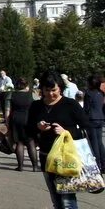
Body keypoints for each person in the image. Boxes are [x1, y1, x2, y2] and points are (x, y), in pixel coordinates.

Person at [27, 71, 89, 209]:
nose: (50, 94)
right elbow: (28, 131)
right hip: (46, 157)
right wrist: (38, 127)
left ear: (60, 88)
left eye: (54, 90)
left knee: (67, 201)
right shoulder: (36, 106)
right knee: (56, 199)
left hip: (66, 158)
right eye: (47, 90)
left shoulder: (70, 104)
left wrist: (66, 132)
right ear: (41, 89)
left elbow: (87, 128)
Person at [7, 78, 38, 172]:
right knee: (31, 142)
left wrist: (7, 123)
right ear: (27, 85)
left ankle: (20, 166)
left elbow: (7, 111)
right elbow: (39, 106)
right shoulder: (33, 94)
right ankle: (35, 167)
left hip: (16, 119)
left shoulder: (11, 94)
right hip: (29, 119)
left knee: (19, 142)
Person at [83, 74, 105, 170]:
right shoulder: (101, 93)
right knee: (100, 142)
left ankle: (98, 164)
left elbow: (86, 108)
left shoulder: (88, 93)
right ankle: (103, 163)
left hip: (91, 119)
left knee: (94, 143)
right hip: (100, 118)